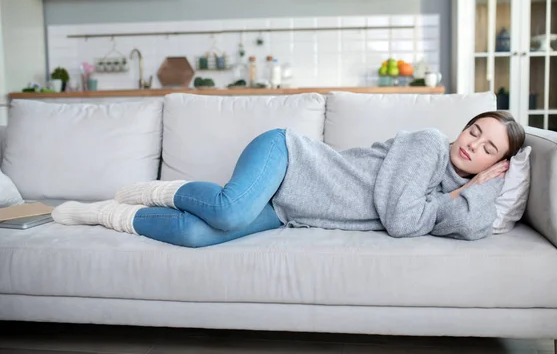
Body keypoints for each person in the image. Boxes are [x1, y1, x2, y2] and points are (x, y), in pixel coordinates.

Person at [52, 110, 525, 247]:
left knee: (197, 234)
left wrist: (470, 193)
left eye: (488, 149)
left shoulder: (449, 190)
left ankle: (110, 215)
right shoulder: (427, 143)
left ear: (493, 166)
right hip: (288, 157)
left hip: (287, 209)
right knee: (230, 208)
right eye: (475, 131)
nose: (472, 144)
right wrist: (460, 194)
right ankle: (151, 190)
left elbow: (475, 224)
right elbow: (403, 221)